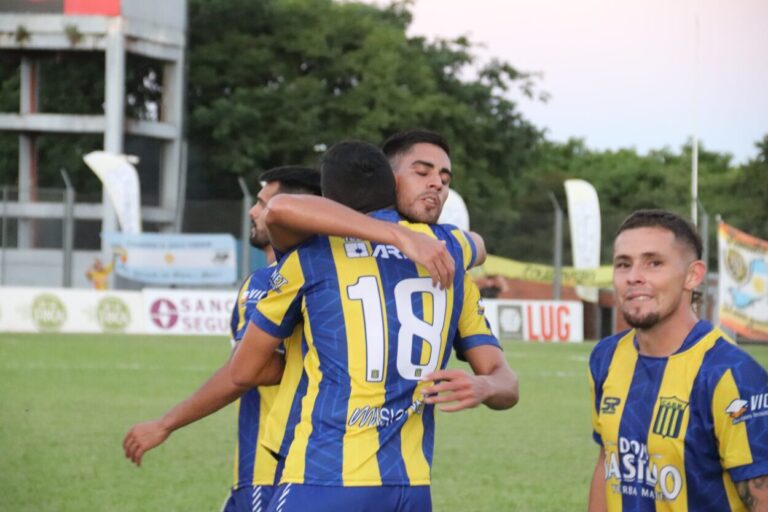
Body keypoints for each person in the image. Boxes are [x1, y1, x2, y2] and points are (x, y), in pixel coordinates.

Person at [230, 141, 518, 512]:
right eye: (422, 172)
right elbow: (478, 245)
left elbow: (242, 372)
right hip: (410, 488)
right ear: (389, 180)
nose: (436, 184)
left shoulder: (314, 254)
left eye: (444, 178)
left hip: (325, 476)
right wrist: (487, 384)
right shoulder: (450, 254)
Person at [123, 166, 322, 512]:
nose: (253, 211)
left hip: (268, 468)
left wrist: (165, 423)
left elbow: (252, 370)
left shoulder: (268, 282)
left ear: (288, 214)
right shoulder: (328, 274)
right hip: (323, 465)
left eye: (264, 204)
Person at [588, 209, 768, 511]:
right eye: (623, 264)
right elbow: (607, 459)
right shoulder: (605, 357)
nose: (634, 277)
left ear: (692, 275)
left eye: (654, 263)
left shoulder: (731, 374)